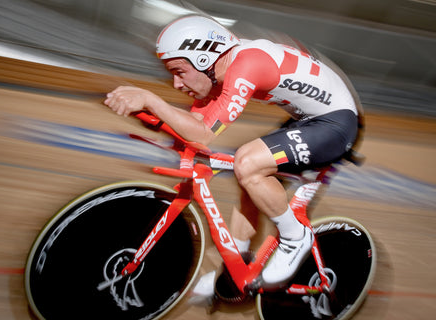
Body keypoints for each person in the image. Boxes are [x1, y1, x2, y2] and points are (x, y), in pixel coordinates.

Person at [104, 15, 363, 291]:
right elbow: (192, 131)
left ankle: (295, 237)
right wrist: (152, 118)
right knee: (249, 178)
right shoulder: (218, 71)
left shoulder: (247, 65)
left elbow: (203, 133)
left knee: (248, 162)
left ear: (203, 59)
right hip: (310, 119)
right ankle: (235, 269)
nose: (176, 84)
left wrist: (150, 100)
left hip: (337, 123)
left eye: (179, 71)